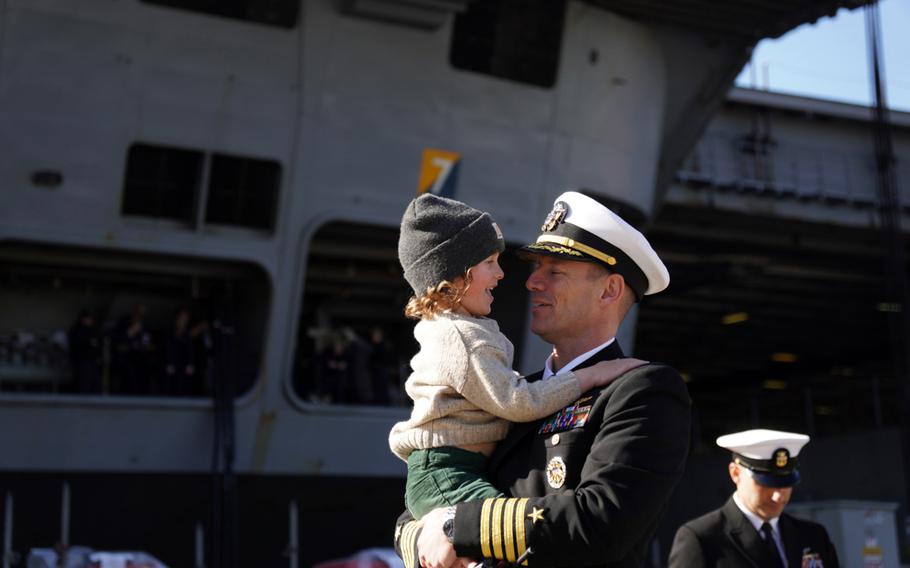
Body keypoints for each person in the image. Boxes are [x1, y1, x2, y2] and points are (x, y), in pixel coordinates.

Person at [395, 191, 691, 568]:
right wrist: (434, 532)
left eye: (554, 271)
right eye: (536, 269)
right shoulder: (512, 388)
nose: (532, 283)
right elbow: (416, 511)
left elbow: (600, 523)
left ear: (610, 290)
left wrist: (457, 528)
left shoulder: (642, 391)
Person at [668, 429, 840, 568]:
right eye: (766, 484)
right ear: (735, 473)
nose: (778, 495)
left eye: (785, 484)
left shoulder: (813, 536)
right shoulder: (701, 539)